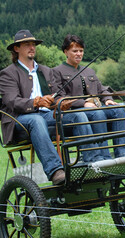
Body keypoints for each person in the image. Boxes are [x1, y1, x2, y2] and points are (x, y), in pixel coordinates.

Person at [0, 30, 105, 185]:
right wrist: (35, 102)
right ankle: (55, 170)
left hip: (47, 116)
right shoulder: (8, 73)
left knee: (78, 115)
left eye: (33, 44)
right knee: (36, 120)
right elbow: (12, 101)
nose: (32, 47)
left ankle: (93, 164)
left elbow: (56, 96)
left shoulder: (45, 71)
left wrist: (62, 102)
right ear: (17, 49)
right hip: (19, 120)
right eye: (27, 44)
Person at [53, 34, 125, 159]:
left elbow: (102, 89)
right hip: (75, 111)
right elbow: (59, 98)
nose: (79, 54)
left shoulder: (89, 71)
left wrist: (108, 99)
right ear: (66, 52)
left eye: (81, 51)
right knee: (97, 113)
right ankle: (104, 157)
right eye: (75, 51)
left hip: (94, 108)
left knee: (119, 110)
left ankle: (123, 154)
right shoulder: (57, 71)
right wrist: (83, 103)